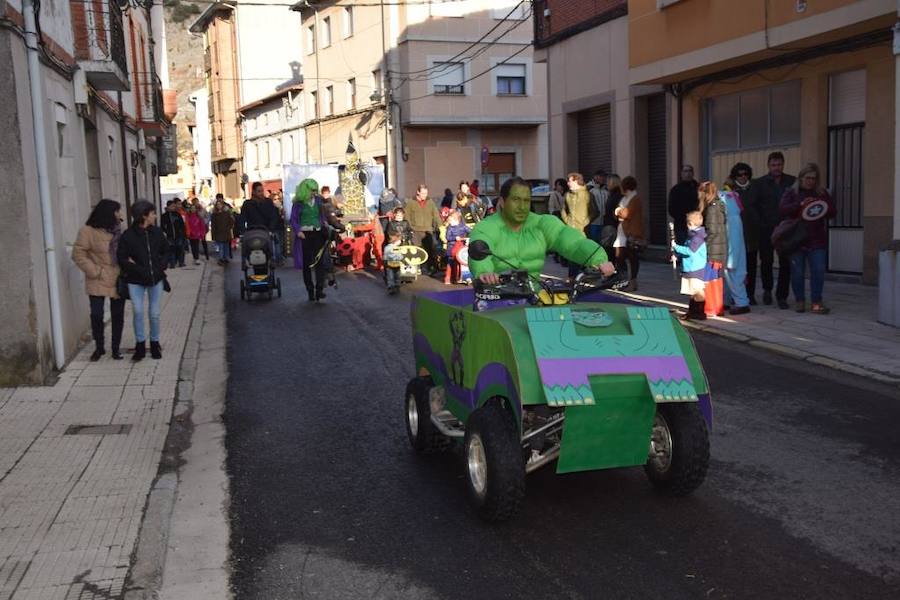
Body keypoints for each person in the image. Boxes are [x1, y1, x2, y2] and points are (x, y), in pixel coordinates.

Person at [469, 176, 616, 283]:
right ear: (502, 202)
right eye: (515, 200)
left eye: (526, 201)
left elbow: (573, 242)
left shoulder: (542, 223)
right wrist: (485, 272)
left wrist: (598, 259)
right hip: (495, 297)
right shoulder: (486, 227)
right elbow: (480, 251)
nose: (522, 207)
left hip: (535, 297)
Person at [72, 199, 125, 361]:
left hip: (117, 277)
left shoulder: (119, 231)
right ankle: (99, 347)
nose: (119, 215)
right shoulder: (87, 231)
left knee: (118, 315)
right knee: (96, 314)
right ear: (108, 213)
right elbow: (78, 254)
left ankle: (115, 349)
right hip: (97, 277)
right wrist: (95, 271)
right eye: (117, 211)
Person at [780, 163, 836, 314]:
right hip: (797, 239)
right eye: (808, 178)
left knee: (818, 271)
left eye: (813, 178)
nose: (810, 181)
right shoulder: (791, 192)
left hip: (817, 239)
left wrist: (821, 205)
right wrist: (800, 204)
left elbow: (832, 212)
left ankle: (816, 301)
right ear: (801, 178)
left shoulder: (821, 193)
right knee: (797, 272)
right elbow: (783, 209)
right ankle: (800, 300)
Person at [117, 200, 168, 362]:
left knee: (154, 314)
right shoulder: (128, 235)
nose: (155, 216)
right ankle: (140, 344)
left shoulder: (157, 233)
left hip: (156, 279)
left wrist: (160, 267)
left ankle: (154, 343)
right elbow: (122, 258)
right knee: (137, 311)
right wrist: (138, 269)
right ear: (144, 216)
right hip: (135, 280)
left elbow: (166, 251)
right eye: (152, 213)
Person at [747, 152, 795, 308]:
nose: (777, 168)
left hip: (785, 229)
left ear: (783, 164)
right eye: (774, 165)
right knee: (766, 262)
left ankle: (782, 296)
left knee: (785, 263)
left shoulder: (792, 182)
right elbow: (752, 205)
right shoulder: (759, 183)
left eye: (779, 164)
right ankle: (767, 290)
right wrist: (760, 223)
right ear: (768, 166)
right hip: (766, 229)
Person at [290, 178, 329, 302]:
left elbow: (321, 216)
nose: (314, 192)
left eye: (315, 190)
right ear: (305, 190)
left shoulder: (318, 200)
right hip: (304, 235)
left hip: (317, 233)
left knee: (319, 262)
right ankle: (310, 291)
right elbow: (294, 219)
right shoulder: (298, 203)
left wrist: (325, 224)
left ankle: (319, 290)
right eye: (312, 190)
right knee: (307, 264)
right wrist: (298, 231)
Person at [719, 185, 750, 315]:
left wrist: (731, 259)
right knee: (728, 278)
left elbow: (734, 241)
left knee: (735, 278)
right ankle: (726, 301)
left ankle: (742, 303)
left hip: (732, 256)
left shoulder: (732, 221)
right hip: (732, 254)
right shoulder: (733, 218)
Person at [698, 181, 727, 317]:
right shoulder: (719, 205)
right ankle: (717, 308)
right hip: (719, 248)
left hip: (712, 250)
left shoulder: (711, 208)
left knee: (709, 281)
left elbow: (712, 231)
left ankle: (710, 308)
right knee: (716, 280)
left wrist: (703, 245)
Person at [672, 211, 708, 321]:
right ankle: (693, 312)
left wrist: (676, 247)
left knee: (698, 291)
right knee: (693, 292)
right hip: (691, 267)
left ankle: (700, 312)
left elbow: (690, 251)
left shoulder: (697, 238)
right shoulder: (693, 236)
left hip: (696, 268)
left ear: (690, 224)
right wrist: (678, 255)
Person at [613, 176, 645, 291]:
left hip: (632, 232)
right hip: (622, 232)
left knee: (632, 258)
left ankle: (632, 282)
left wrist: (618, 211)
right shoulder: (624, 198)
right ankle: (624, 280)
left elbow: (626, 213)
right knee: (619, 257)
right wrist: (618, 212)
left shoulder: (634, 198)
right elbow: (617, 213)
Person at [404, 184, 441, 274]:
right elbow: (407, 216)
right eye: (423, 193)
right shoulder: (411, 202)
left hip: (428, 230)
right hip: (416, 230)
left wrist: (440, 226)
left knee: (430, 249)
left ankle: (431, 268)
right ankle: (420, 269)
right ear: (418, 192)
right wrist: (410, 228)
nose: (425, 195)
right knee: (418, 250)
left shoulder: (430, 202)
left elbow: (435, 215)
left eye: (426, 193)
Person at [562, 172, 593, 279]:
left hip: (583, 229)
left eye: (570, 181)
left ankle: (584, 274)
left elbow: (594, 211)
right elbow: (563, 210)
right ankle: (572, 277)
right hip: (571, 229)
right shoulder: (567, 195)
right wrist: (567, 221)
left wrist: (585, 222)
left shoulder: (587, 194)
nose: (568, 183)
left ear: (576, 181)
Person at [668, 165, 699, 245]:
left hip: (697, 226)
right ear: (681, 174)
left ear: (693, 173)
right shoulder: (676, 189)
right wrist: (684, 217)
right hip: (682, 226)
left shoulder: (698, 188)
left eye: (690, 171)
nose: (688, 173)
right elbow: (671, 209)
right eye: (685, 171)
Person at [444, 210, 471, 285]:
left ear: (457, 220)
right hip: (452, 247)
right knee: (450, 262)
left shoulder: (463, 226)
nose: (450, 222)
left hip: (461, 248)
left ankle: (461, 277)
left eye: (451, 221)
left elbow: (471, 231)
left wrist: (469, 238)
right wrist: (455, 238)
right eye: (449, 221)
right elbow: (447, 237)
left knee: (462, 262)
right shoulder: (450, 228)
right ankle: (447, 278)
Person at [160, 199, 186, 268]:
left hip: (178, 235)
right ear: (168, 207)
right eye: (172, 206)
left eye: (174, 206)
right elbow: (162, 226)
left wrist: (183, 233)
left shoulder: (177, 215)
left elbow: (182, 225)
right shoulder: (164, 216)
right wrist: (165, 232)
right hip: (170, 235)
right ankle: (172, 263)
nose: (173, 208)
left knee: (180, 248)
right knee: (171, 249)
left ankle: (181, 262)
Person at [587, 170, 609, 246]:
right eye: (601, 176)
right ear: (595, 177)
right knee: (593, 243)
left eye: (604, 177)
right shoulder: (589, 189)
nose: (603, 178)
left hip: (604, 222)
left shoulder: (606, 190)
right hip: (592, 222)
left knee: (602, 243)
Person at [210, 198, 234, 265]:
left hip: (226, 232)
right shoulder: (214, 214)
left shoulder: (226, 213)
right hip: (218, 232)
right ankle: (221, 259)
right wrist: (213, 234)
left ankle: (225, 258)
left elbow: (231, 221)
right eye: (217, 205)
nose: (219, 206)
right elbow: (213, 225)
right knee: (221, 246)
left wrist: (229, 227)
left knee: (226, 246)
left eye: (220, 204)